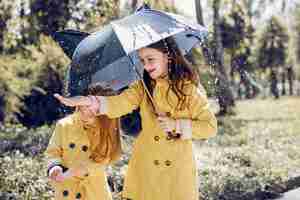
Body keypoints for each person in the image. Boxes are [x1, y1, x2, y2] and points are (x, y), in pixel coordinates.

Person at [55, 37, 217, 200]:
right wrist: (88, 100)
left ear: (168, 56)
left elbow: (210, 126)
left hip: (177, 168)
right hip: (146, 164)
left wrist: (177, 125)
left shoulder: (188, 89)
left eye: (150, 59)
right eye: (142, 61)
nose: (146, 66)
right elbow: (120, 103)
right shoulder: (143, 87)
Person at [45, 85, 122, 200]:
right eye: (83, 108)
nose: (85, 114)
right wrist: (54, 167)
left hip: (94, 192)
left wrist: (73, 172)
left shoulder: (105, 132)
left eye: (92, 113)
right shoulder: (64, 125)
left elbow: (100, 160)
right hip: (68, 189)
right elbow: (52, 152)